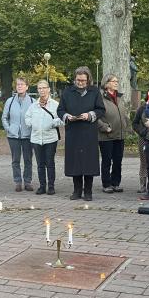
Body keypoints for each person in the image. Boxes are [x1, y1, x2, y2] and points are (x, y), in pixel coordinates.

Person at [57, 66, 105, 201]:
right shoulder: (67, 92)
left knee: (88, 162)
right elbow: (60, 110)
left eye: (83, 80)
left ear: (88, 79)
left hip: (89, 132)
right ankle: (77, 190)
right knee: (75, 162)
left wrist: (90, 115)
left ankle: (88, 191)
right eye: (78, 80)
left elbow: (101, 109)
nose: (80, 83)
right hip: (73, 132)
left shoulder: (94, 92)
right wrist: (67, 116)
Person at [24, 80, 63, 195]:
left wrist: (53, 123)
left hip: (50, 138)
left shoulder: (55, 105)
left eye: (43, 88)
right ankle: (42, 186)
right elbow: (27, 117)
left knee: (50, 163)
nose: (41, 90)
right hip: (36, 139)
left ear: (48, 89)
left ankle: (51, 186)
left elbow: (62, 119)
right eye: (39, 88)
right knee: (40, 164)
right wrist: (31, 123)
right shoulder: (33, 106)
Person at [97, 74, 131, 193]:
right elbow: (95, 116)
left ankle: (115, 183)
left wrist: (126, 124)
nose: (116, 83)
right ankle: (106, 184)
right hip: (106, 135)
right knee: (107, 161)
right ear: (106, 84)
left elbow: (123, 114)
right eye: (113, 81)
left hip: (119, 134)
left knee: (118, 160)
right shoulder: (100, 98)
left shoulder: (119, 97)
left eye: (117, 81)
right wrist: (104, 127)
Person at [2, 77, 35, 191]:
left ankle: (27, 182)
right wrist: (9, 129)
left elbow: (35, 118)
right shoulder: (10, 101)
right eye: (18, 84)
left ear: (27, 86)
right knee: (15, 160)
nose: (19, 86)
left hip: (28, 136)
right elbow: (4, 118)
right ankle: (17, 182)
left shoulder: (33, 102)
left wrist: (32, 130)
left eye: (22, 84)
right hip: (13, 136)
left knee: (28, 160)